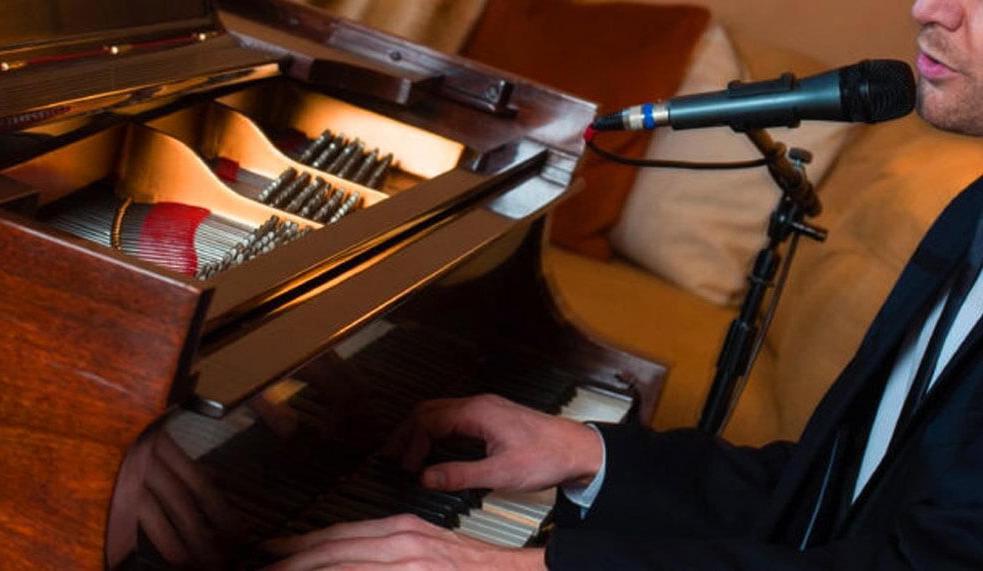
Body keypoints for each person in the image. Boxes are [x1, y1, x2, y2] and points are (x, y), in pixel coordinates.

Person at [264, 0, 983, 568]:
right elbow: (831, 501)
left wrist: (520, 565)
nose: (928, 8)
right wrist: (592, 454)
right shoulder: (971, 214)